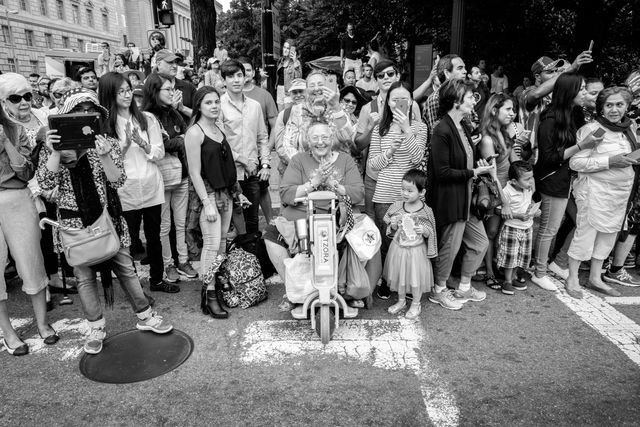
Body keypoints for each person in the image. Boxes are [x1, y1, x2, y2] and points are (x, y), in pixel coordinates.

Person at [36, 88, 174, 355]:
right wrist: (55, 151)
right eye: (79, 112)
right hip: (74, 224)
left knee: (125, 267)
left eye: (91, 111)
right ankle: (96, 327)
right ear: (67, 116)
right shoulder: (53, 144)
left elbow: (118, 180)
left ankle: (145, 316)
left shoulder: (105, 141)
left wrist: (104, 155)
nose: (86, 116)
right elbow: (45, 183)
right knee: (84, 276)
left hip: (108, 217)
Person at [264, 120, 365, 299]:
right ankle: (294, 292)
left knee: (362, 234)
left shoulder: (345, 160)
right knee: (271, 234)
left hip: (335, 215)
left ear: (332, 139)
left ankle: (342, 289)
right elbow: (286, 194)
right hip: (302, 214)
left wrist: (334, 184)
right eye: (315, 138)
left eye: (325, 137)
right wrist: (314, 182)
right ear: (308, 142)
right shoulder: (299, 160)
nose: (320, 142)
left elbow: (357, 193)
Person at [98, 72, 168, 294]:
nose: (127, 95)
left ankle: (157, 279)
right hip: (124, 189)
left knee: (154, 236)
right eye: (121, 92)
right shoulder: (104, 124)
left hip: (150, 184)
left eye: (129, 90)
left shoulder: (146, 118)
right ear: (110, 94)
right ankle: (134, 286)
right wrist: (126, 145)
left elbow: (160, 152)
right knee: (129, 240)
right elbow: (105, 160)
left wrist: (144, 145)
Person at [565, 86, 638, 298]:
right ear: (601, 108)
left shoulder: (628, 129)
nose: (614, 110)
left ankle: (596, 278)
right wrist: (609, 161)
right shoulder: (594, 130)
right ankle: (573, 278)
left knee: (608, 235)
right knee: (586, 234)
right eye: (609, 105)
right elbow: (576, 162)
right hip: (594, 191)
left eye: (619, 104)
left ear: (627, 106)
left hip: (620, 193)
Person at [185, 86, 250, 319]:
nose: (214, 106)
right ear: (199, 106)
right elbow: (194, 173)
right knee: (211, 246)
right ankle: (209, 295)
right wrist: (207, 202)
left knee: (221, 244)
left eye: (216, 102)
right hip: (209, 195)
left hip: (226, 194)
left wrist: (236, 192)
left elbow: (226, 164)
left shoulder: (218, 127)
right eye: (208, 103)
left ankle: (214, 288)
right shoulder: (195, 132)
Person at [429, 79, 494, 310]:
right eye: (469, 97)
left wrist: (479, 165)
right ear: (456, 101)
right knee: (450, 246)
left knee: (480, 242)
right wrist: (474, 171)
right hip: (451, 199)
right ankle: (438, 290)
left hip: (466, 197)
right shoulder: (442, 129)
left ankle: (464, 287)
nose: (473, 101)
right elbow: (441, 171)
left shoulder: (463, 126)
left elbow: (466, 158)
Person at [0, 93, 57, 356]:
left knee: (31, 261)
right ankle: (8, 333)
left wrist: (5, 141)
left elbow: (25, 172)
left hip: (17, 197)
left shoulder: (16, 130)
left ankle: (43, 324)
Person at [530, 72, 596, 293]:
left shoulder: (574, 113)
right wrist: (582, 146)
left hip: (568, 180)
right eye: (582, 89)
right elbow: (549, 157)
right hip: (552, 180)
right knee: (549, 229)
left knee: (581, 221)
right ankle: (539, 273)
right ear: (570, 92)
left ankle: (558, 263)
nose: (585, 93)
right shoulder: (550, 119)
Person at [367, 81, 428, 275]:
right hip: (385, 194)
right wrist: (390, 151)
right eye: (395, 99)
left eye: (404, 99)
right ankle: (386, 281)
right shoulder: (380, 129)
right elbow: (372, 164)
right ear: (387, 102)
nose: (399, 102)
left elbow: (417, 160)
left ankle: (408, 282)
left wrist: (407, 130)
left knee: (411, 242)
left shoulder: (420, 127)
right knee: (387, 242)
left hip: (411, 196)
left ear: (410, 102)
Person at [143, 73, 198, 288]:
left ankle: (183, 260)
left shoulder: (174, 112)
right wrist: (180, 141)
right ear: (155, 91)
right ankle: (168, 264)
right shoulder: (147, 116)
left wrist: (179, 140)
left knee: (181, 222)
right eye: (168, 89)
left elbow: (187, 135)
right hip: (161, 177)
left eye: (174, 88)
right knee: (164, 225)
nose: (173, 93)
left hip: (181, 174)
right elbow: (162, 146)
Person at [476, 93, 526, 289]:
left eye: (513, 109)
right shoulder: (487, 139)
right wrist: (504, 201)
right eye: (508, 109)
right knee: (492, 231)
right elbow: (492, 175)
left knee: (504, 232)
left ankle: (500, 266)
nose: (512, 113)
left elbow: (515, 163)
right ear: (495, 110)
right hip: (496, 192)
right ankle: (488, 271)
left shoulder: (505, 133)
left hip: (509, 189)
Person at [219, 59, 270, 235]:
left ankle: (253, 257)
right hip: (229, 172)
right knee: (233, 221)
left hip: (252, 172)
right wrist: (242, 160)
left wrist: (264, 164)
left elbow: (262, 137)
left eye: (239, 75)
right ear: (224, 80)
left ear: (245, 77)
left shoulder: (255, 106)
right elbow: (219, 143)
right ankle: (238, 258)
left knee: (253, 219)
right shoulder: (218, 106)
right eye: (230, 76)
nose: (236, 80)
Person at [383, 169, 437, 319]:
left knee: (416, 278)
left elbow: (431, 231)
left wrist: (424, 230)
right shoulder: (398, 206)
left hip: (416, 251)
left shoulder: (426, 211)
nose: (405, 193)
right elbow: (387, 218)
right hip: (398, 248)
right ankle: (401, 301)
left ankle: (416, 303)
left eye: (409, 190)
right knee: (399, 275)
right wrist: (393, 224)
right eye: (403, 189)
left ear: (422, 192)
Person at [279, 70, 354, 175]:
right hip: (306, 173)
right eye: (312, 85)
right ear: (306, 89)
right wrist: (303, 166)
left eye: (320, 84)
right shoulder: (297, 111)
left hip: (337, 171)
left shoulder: (340, 108)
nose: (316, 88)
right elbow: (288, 145)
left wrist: (336, 107)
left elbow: (348, 137)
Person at [518, 51, 593, 156]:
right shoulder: (527, 92)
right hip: (531, 156)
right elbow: (536, 95)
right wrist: (570, 69)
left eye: (556, 71)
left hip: (553, 153)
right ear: (538, 76)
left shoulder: (555, 94)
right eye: (550, 72)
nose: (556, 74)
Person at [240, 57, 279, 225]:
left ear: (253, 72)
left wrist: (268, 148)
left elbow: (275, 124)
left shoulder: (263, 95)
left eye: (248, 70)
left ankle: (270, 222)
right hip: (238, 153)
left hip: (258, 151)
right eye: (241, 71)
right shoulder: (228, 95)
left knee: (262, 188)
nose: (245, 74)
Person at [494, 161, 538, 295]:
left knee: (520, 255)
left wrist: (534, 210)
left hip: (527, 228)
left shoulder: (528, 188)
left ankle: (513, 277)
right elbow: (498, 210)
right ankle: (507, 280)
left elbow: (530, 202)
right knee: (510, 257)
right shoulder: (506, 191)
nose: (531, 181)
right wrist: (518, 216)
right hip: (512, 228)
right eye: (527, 179)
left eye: (531, 177)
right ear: (514, 181)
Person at [423, 54, 467, 130]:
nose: (465, 71)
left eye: (464, 68)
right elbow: (438, 134)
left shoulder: (464, 94)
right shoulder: (436, 98)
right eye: (460, 68)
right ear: (447, 73)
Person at [273, 78, 307, 176]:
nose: (298, 95)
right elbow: (280, 146)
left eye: (301, 91)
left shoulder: (315, 113)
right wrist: (298, 164)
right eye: (294, 92)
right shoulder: (284, 115)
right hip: (289, 168)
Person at [154, 49, 197, 121]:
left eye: (176, 62)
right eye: (170, 62)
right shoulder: (151, 87)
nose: (175, 66)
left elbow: (200, 116)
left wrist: (183, 109)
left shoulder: (188, 87)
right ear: (159, 64)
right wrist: (170, 108)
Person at [275, 39, 302, 110]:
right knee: (280, 114)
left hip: (288, 91)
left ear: (292, 50)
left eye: (288, 48)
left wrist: (295, 60)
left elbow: (299, 78)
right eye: (284, 47)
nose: (285, 50)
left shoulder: (296, 62)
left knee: (287, 116)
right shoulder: (281, 61)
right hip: (279, 90)